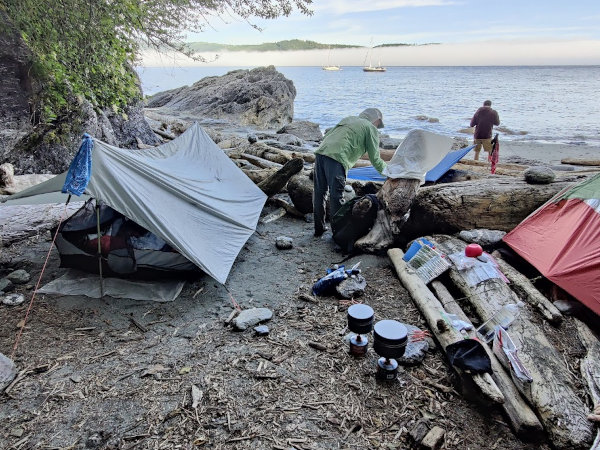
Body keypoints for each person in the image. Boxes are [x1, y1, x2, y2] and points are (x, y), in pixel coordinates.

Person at [313, 108, 387, 237]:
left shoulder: (348, 119)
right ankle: (337, 234)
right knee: (336, 197)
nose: (378, 128)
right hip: (337, 157)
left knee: (320, 193)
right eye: (378, 125)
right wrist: (389, 172)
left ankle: (318, 228)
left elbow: (330, 135)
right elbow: (375, 158)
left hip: (321, 152)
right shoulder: (370, 128)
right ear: (377, 120)